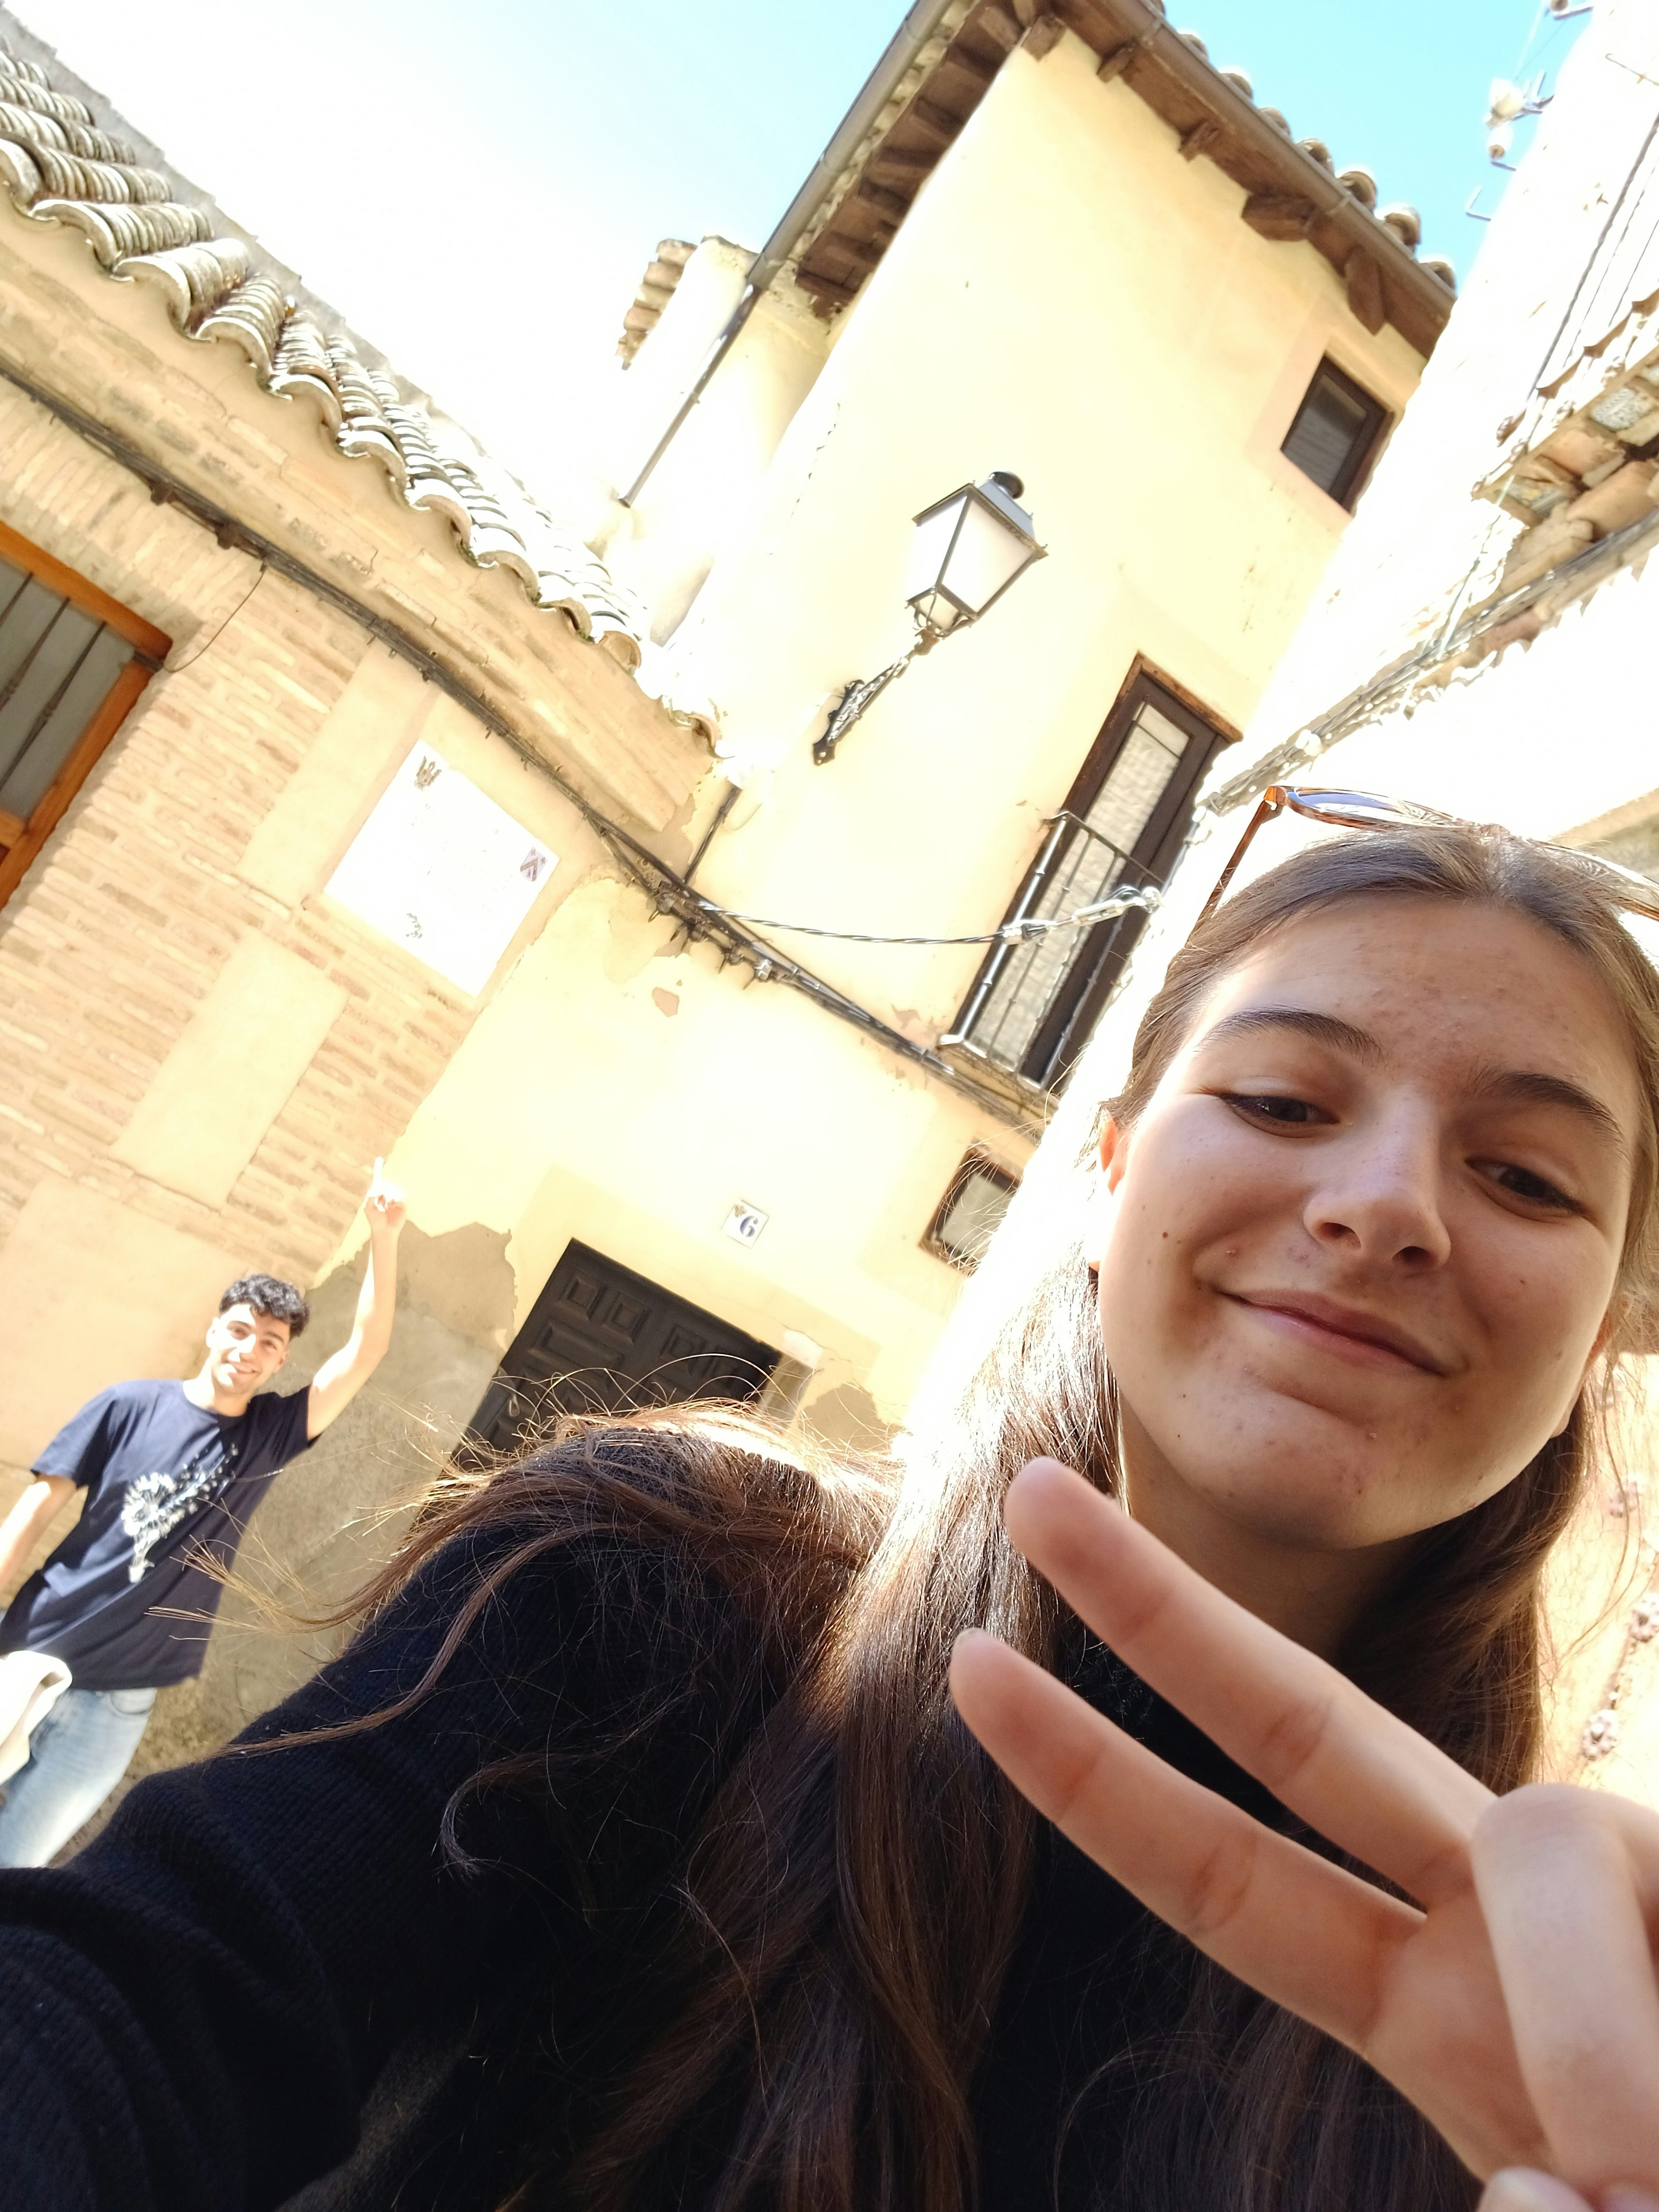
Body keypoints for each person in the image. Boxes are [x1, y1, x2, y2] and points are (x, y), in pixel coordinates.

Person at [0, 821, 1656, 2212]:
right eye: (1289, 1101)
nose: (1383, 1207)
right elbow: (149, 2000)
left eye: (1525, 1176)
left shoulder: (1556, 2038)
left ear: (1609, 1323)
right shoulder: (664, 1594)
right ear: (1104, 1177)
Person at [0, 1163, 407, 1867]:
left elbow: (364, 1351)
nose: (251, 1352)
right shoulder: (128, 1405)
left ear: (282, 1359)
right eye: (243, 1331)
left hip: (112, 1708)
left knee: (17, 1868)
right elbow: (36, 1508)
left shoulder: (271, 1435)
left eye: (271, 1344)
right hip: (28, 1652)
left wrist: (385, 1235)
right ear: (217, 1326)